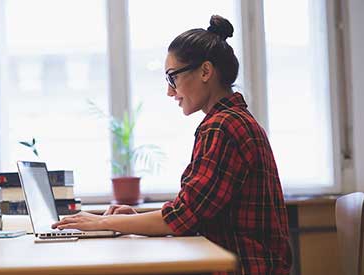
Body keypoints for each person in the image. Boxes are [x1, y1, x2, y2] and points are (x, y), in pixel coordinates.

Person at [52, 15, 292, 275]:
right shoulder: (233, 120)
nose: (170, 92)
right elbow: (193, 213)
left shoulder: (222, 126)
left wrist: (104, 223)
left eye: (172, 78)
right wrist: (131, 221)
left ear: (205, 71)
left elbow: (183, 216)